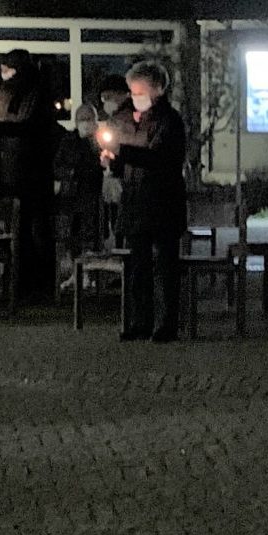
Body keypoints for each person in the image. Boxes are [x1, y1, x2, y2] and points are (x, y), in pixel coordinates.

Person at [101, 59, 186, 342]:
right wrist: (113, 162)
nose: (135, 96)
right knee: (138, 268)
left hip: (162, 204)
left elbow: (160, 159)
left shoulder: (169, 121)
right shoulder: (133, 120)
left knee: (164, 267)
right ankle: (141, 321)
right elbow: (130, 163)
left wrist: (123, 151)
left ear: (157, 89)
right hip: (136, 203)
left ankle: (166, 324)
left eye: (140, 91)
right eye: (132, 91)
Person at [0, 48, 57, 298]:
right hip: (17, 171)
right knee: (22, 229)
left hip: (31, 172)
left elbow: (27, 126)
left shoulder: (34, 93)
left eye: (8, 70)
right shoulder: (14, 92)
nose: (4, 75)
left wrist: (0, 127)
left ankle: (38, 285)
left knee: (35, 229)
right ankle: (23, 283)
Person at [53, 102, 106, 280]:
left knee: (91, 235)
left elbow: (101, 166)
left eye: (89, 119)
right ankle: (76, 274)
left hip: (91, 195)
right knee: (72, 236)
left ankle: (89, 275)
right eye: (82, 119)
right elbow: (58, 165)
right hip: (71, 196)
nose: (86, 123)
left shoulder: (99, 140)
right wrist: (71, 173)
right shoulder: (69, 140)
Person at [97, 80, 133, 245]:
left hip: (126, 177)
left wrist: (113, 162)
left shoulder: (129, 118)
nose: (106, 102)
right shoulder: (115, 118)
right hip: (117, 175)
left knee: (125, 222)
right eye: (103, 98)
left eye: (108, 97)